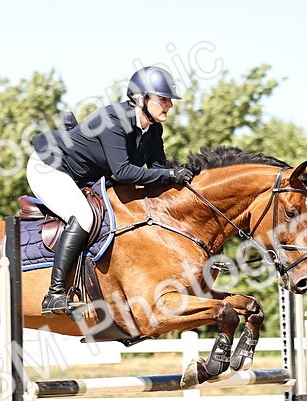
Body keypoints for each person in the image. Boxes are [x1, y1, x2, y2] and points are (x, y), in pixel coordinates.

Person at [28, 65, 195, 316]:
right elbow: (125, 172)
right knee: (84, 216)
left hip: (82, 175)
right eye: (163, 99)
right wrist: (171, 175)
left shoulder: (153, 129)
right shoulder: (114, 119)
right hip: (50, 168)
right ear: (141, 98)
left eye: (169, 99)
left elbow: (158, 172)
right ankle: (55, 294)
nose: (170, 105)